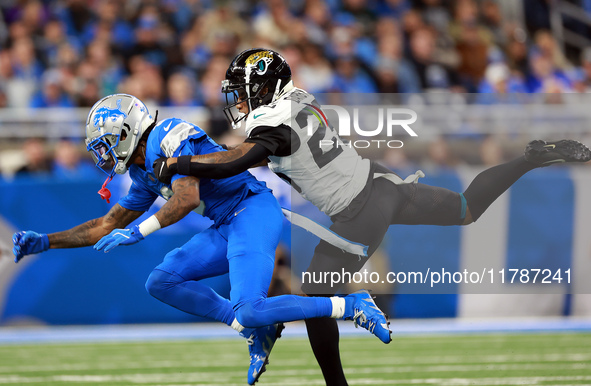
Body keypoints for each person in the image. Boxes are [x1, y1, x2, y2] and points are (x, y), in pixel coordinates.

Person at [152, 48, 591, 386]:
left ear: (263, 89)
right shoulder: (297, 101)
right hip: (382, 183)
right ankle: (531, 159)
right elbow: (251, 148)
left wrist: (181, 165)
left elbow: (236, 162)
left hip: (359, 209)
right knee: (466, 208)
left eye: (243, 90)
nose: (239, 101)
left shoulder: (270, 125)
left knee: (317, 294)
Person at [11, 93, 392, 386]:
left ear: (127, 133)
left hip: (251, 211)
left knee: (250, 304)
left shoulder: (167, 135)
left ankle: (351, 304)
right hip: (226, 224)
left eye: (107, 142)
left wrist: (140, 230)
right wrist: (45, 241)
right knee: (161, 281)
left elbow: (188, 197)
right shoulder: (145, 172)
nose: (103, 154)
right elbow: (104, 224)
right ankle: (253, 330)